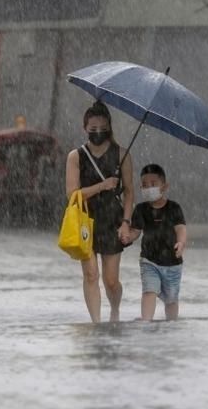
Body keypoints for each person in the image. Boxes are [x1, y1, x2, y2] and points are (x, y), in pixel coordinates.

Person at [65, 101, 134, 323]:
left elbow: (130, 193)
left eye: (102, 129)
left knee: (111, 280)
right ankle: (96, 322)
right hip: (85, 220)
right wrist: (102, 186)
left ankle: (115, 307)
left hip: (112, 220)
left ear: (109, 127)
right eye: (92, 129)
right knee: (91, 274)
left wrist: (126, 222)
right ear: (84, 128)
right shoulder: (76, 156)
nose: (97, 133)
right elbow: (72, 194)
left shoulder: (122, 155)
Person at [123, 164, 187, 321]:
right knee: (149, 290)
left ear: (164, 186)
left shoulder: (174, 208)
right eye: (145, 185)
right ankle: (146, 321)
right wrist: (128, 237)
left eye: (153, 184)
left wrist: (181, 243)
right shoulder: (140, 209)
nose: (148, 188)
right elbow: (136, 231)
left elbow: (181, 228)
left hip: (172, 262)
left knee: (171, 299)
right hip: (149, 260)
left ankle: (171, 324)